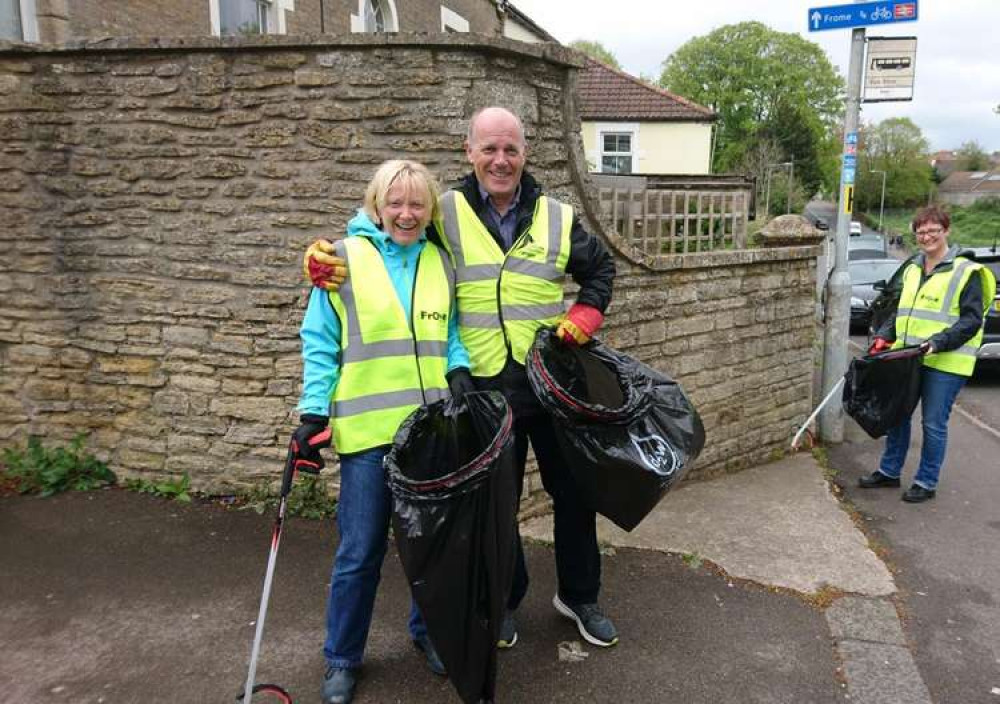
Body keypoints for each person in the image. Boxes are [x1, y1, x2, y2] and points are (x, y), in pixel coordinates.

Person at [302, 107, 619, 650]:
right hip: (485, 386)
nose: (501, 160)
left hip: (551, 379)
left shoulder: (556, 216)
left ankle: (580, 595)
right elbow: (391, 233)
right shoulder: (443, 212)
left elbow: (600, 271)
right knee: (497, 503)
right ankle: (504, 601)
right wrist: (332, 256)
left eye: (511, 150)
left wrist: (586, 315)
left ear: (525, 154)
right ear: (469, 151)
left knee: (574, 493)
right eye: (489, 149)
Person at [290, 159, 471, 704]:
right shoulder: (341, 261)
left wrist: (458, 370)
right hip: (369, 437)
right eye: (396, 203)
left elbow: (451, 331)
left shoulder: (440, 261)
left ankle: (429, 634)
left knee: (429, 550)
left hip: (429, 434)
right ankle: (342, 658)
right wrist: (312, 414)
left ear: (429, 209)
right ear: (377, 205)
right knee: (360, 552)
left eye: (417, 204)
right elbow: (319, 341)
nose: (407, 213)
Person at [860, 205, 995, 503]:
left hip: (945, 361)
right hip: (908, 358)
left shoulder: (966, 271)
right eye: (921, 232)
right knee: (897, 417)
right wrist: (884, 337)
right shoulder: (912, 268)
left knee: (933, 423)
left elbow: (971, 320)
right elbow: (902, 313)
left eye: (933, 230)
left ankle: (926, 481)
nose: (927, 237)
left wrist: (939, 341)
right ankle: (889, 472)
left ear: (946, 231)